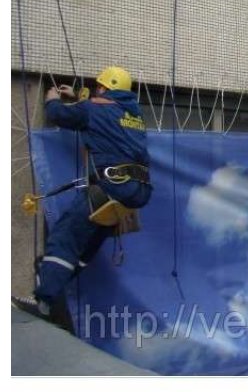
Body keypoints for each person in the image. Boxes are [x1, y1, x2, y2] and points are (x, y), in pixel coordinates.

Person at [12, 66, 152, 320]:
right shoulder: (135, 115)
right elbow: (107, 121)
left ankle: (43, 299)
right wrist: (79, 98)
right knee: (85, 243)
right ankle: (55, 286)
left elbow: (58, 115)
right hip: (135, 192)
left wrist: (52, 97)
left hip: (110, 187)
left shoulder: (93, 109)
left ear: (104, 88)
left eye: (99, 87)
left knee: (65, 238)